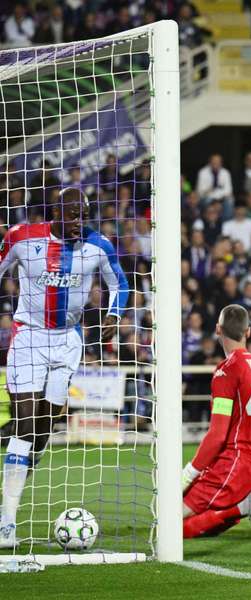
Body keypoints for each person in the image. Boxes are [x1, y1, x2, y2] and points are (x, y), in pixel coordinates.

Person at [0, 188, 129, 548]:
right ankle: (6, 521)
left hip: (67, 341)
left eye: (82, 215)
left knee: (43, 429)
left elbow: (121, 283)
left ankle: (21, 454)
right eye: (72, 215)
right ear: (56, 211)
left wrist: (114, 315)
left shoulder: (97, 246)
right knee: (25, 423)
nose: (78, 223)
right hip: (28, 336)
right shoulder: (23, 238)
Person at [181, 304, 251, 538]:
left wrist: (189, 473)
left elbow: (217, 434)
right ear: (248, 332)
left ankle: (245, 505)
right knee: (198, 521)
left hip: (233, 463)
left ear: (217, 329)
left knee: (169, 525)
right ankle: (243, 504)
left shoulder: (227, 370)